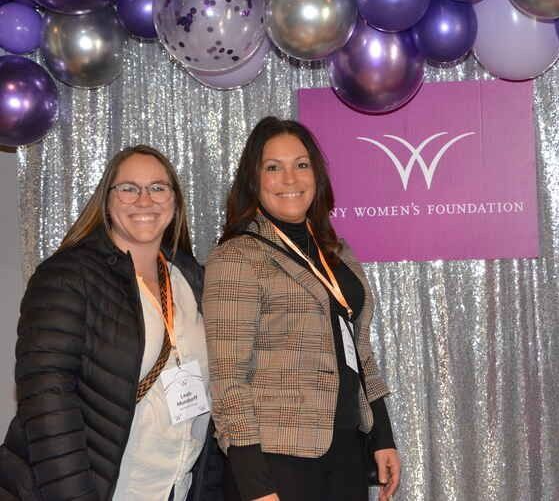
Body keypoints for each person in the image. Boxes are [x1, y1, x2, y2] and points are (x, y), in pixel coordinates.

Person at [0, 145, 223, 501]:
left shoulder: (190, 277)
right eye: (129, 188)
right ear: (106, 200)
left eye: (158, 188)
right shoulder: (68, 277)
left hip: (173, 486)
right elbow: (46, 403)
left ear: (175, 201)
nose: (144, 200)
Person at [203, 117, 401, 501]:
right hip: (276, 460)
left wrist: (382, 436)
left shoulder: (337, 253)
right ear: (253, 180)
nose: (290, 179)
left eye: (301, 164)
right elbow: (228, 378)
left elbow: (360, 351)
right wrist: (254, 483)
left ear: (317, 174)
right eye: (273, 167)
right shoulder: (236, 256)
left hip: (346, 450)